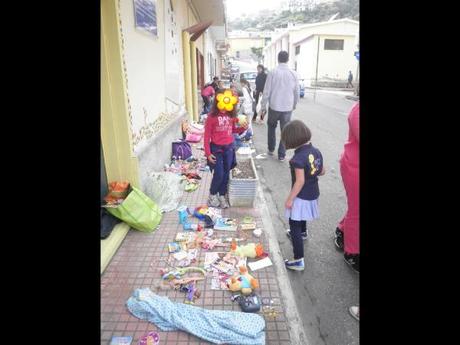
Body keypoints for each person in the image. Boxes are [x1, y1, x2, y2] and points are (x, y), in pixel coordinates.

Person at [281, 120, 325, 271]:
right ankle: (304, 232)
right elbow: (323, 171)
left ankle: (298, 260)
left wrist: (290, 199)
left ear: (292, 140)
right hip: (314, 192)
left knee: (294, 222)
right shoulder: (316, 151)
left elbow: (299, 181)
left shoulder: (297, 159)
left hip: (301, 195)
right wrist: (312, 172)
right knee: (302, 217)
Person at [204, 89, 248, 208]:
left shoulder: (231, 116)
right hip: (216, 149)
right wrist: (208, 153)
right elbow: (207, 135)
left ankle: (222, 195)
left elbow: (233, 130)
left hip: (229, 148)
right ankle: (212, 195)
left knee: (225, 174)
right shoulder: (211, 117)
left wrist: (243, 128)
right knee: (218, 174)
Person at [260, 51, 300, 161]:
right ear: (287, 59)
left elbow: (266, 90)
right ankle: (282, 154)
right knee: (285, 130)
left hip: (274, 106)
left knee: (271, 127)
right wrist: (294, 104)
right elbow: (296, 91)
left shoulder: (273, 72)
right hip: (287, 107)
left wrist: (263, 106)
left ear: (278, 59)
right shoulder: (294, 73)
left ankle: (271, 149)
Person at [334, 102, 359, 272]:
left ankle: (342, 230)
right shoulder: (357, 111)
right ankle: (352, 252)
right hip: (355, 166)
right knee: (357, 212)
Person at [234, 78, 254, 148]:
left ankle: (249, 133)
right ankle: (250, 133)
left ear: (242, 83)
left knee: (247, 122)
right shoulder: (249, 87)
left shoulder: (244, 89)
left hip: (246, 107)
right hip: (250, 107)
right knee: (249, 121)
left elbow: (245, 99)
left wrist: (240, 106)